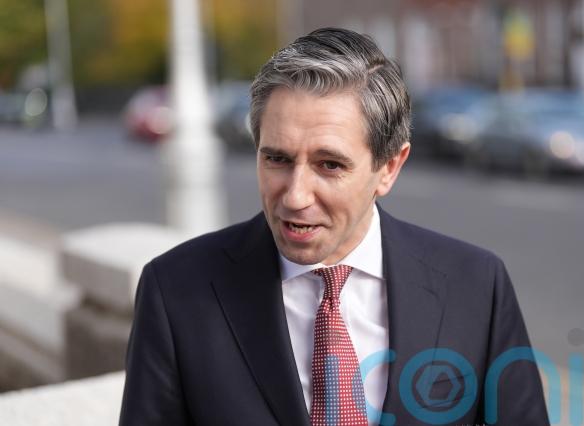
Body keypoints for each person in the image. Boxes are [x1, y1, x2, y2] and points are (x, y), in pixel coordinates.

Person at [119, 27, 549, 426]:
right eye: (277, 159)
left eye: (329, 165)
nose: (295, 196)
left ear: (389, 167)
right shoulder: (175, 289)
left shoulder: (476, 285)